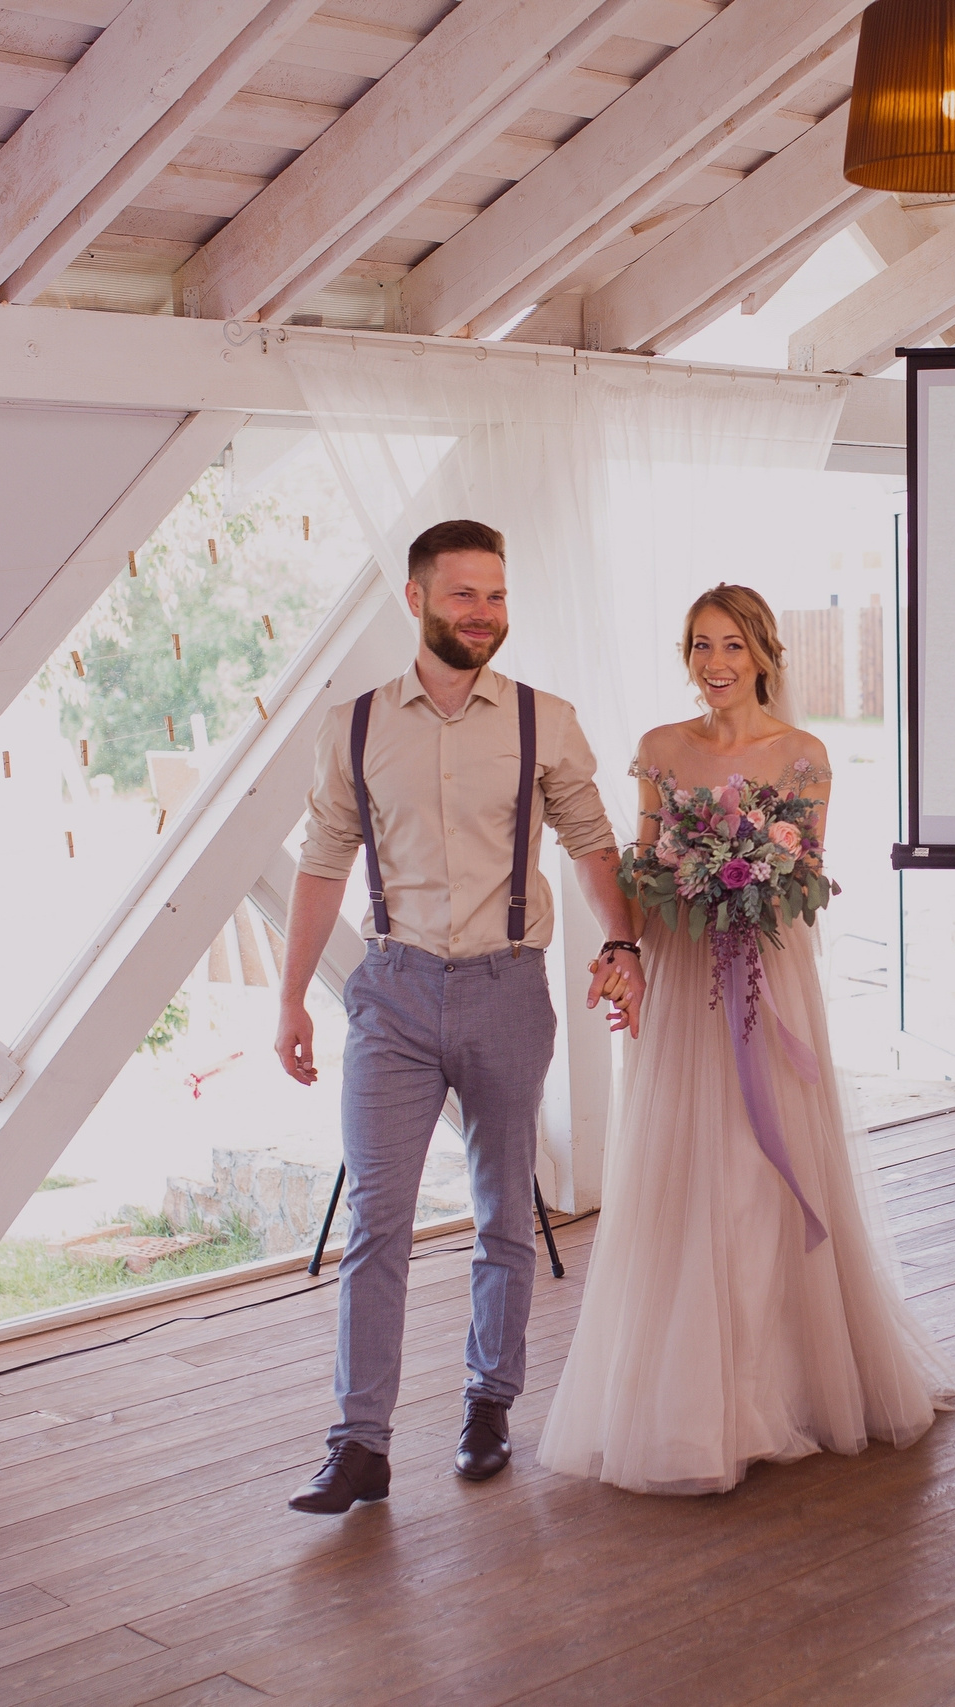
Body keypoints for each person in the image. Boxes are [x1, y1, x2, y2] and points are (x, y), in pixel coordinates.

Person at [538, 584, 955, 1496]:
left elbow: (805, 879)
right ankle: (694, 1398)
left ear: (763, 654)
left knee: (764, 1168)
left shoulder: (804, 755)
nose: (714, 664)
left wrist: (753, 887)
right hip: (687, 976)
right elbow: (643, 874)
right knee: (691, 1170)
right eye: (699, 645)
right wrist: (629, 951)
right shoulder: (657, 750)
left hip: (770, 974)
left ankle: (782, 1384)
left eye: (731, 645)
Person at [274, 519, 646, 1513]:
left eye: (496, 596)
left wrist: (625, 944)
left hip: (505, 989)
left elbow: (591, 841)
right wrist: (289, 1002)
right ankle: (359, 1443)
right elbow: (321, 862)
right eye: (463, 596)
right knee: (375, 1222)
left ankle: (489, 1402)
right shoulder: (350, 726)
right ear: (416, 600)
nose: (484, 614)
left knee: (501, 1213)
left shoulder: (546, 720)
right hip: (391, 994)